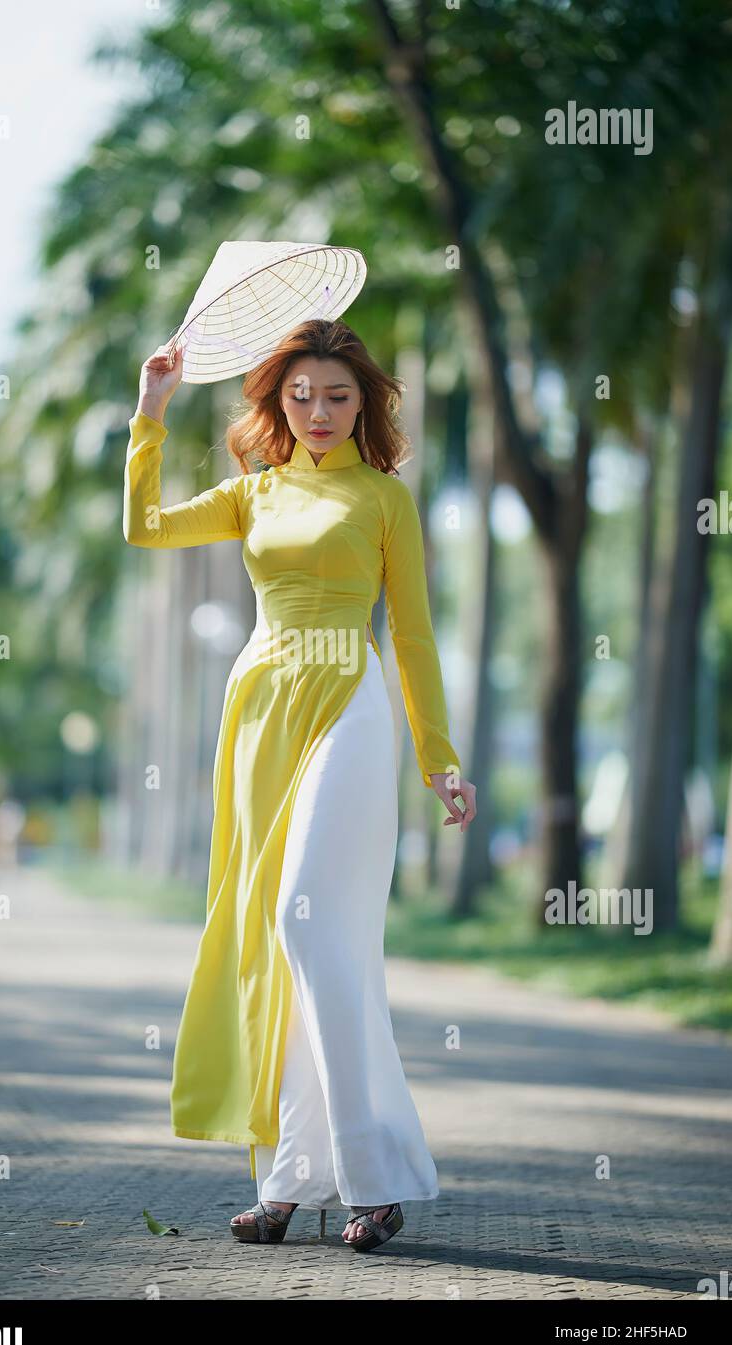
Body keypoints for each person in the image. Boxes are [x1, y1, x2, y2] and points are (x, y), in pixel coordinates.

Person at [123, 318, 476, 1252]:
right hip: (260, 707)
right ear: (278, 403)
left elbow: (412, 636)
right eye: (301, 396)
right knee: (274, 939)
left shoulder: (384, 500)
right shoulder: (254, 494)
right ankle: (287, 1178)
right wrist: (150, 413)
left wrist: (438, 757)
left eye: (339, 395)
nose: (319, 412)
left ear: (367, 403)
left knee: (310, 923)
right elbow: (144, 526)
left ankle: (374, 1176)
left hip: (349, 704)